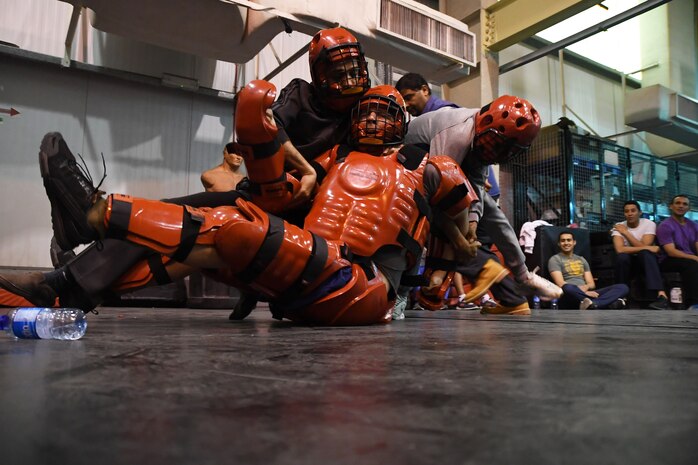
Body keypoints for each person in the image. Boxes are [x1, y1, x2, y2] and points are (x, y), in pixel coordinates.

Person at [1, 83, 520, 323]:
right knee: (202, 245)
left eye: (385, 113)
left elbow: (463, 231)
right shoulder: (330, 160)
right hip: (309, 266)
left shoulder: (430, 168)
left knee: (230, 230)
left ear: (404, 124)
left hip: (361, 286)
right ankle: (67, 290)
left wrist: (451, 246)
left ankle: (92, 213)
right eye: (367, 111)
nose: (373, 120)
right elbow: (276, 172)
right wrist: (263, 121)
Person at [0, 27, 371, 315]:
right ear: (319, 74)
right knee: (175, 235)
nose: (350, 77)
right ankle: (70, 281)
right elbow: (268, 120)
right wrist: (305, 169)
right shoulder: (302, 96)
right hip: (261, 199)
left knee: (176, 232)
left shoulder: (364, 119)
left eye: (355, 68)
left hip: (306, 230)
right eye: (339, 69)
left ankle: (91, 227)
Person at [403, 95, 563, 301]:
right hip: (411, 160)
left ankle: (523, 276)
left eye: (506, 150)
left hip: (441, 167)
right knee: (437, 219)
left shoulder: (487, 138)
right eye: (496, 145)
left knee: (494, 215)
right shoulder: (457, 135)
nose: (496, 153)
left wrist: (471, 226)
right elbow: (438, 198)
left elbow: (476, 187)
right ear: (485, 124)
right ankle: (413, 286)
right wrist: (460, 241)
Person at [548, 231, 629, 309]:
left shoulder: (581, 259)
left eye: (569, 240)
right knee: (567, 287)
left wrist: (586, 288)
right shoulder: (555, 259)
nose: (566, 243)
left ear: (574, 242)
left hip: (586, 293)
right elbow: (560, 284)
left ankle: (594, 304)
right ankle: (604, 303)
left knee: (623, 287)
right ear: (559, 244)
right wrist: (583, 293)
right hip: (570, 294)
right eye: (563, 241)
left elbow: (591, 284)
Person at [611, 200, 668, 309]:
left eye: (633, 210)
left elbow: (644, 245)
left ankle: (661, 295)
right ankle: (621, 297)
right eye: (626, 211)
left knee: (645, 253)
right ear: (624, 214)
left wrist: (626, 234)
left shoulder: (648, 223)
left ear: (640, 213)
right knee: (622, 257)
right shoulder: (619, 227)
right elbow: (619, 249)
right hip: (629, 264)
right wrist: (648, 247)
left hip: (646, 263)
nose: (630, 213)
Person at [656, 194, 698, 310]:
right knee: (692, 265)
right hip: (668, 261)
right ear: (671, 206)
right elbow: (671, 251)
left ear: (688, 208)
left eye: (684, 204)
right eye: (678, 203)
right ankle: (693, 304)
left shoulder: (694, 225)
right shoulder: (665, 225)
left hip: (688, 258)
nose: (681, 206)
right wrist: (694, 258)